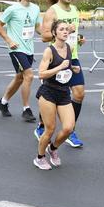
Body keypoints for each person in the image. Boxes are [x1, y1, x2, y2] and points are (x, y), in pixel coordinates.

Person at [36, 0, 85, 148]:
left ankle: (70, 130)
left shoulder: (75, 10)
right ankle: (42, 126)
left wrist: (79, 39)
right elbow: (44, 36)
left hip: (72, 56)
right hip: (56, 58)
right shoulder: (52, 11)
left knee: (79, 94)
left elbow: (72, 35)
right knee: (51, 93)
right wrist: (67, 31)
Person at [33, 20, 78, 170]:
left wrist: (73, 68)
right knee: (50, 129)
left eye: (67, 29)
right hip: (49, 93)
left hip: (64, 92)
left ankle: (52, 148)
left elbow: (67, 66)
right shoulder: (49, 51)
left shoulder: (69, 47)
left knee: (68, 128)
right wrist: (59, 67)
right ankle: (39, 158)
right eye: (62, 29)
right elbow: (41, 74)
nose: (65, 32)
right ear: (54, 33)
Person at [0, 0, 42, 122]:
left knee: (19, 77)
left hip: (29, 48)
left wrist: (51, 36)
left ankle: (3, 102)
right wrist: (9, 40)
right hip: (16, 48)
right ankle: (26, 109)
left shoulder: (35, 8)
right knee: (28, 76)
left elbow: (38, 28)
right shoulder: (13, 9)